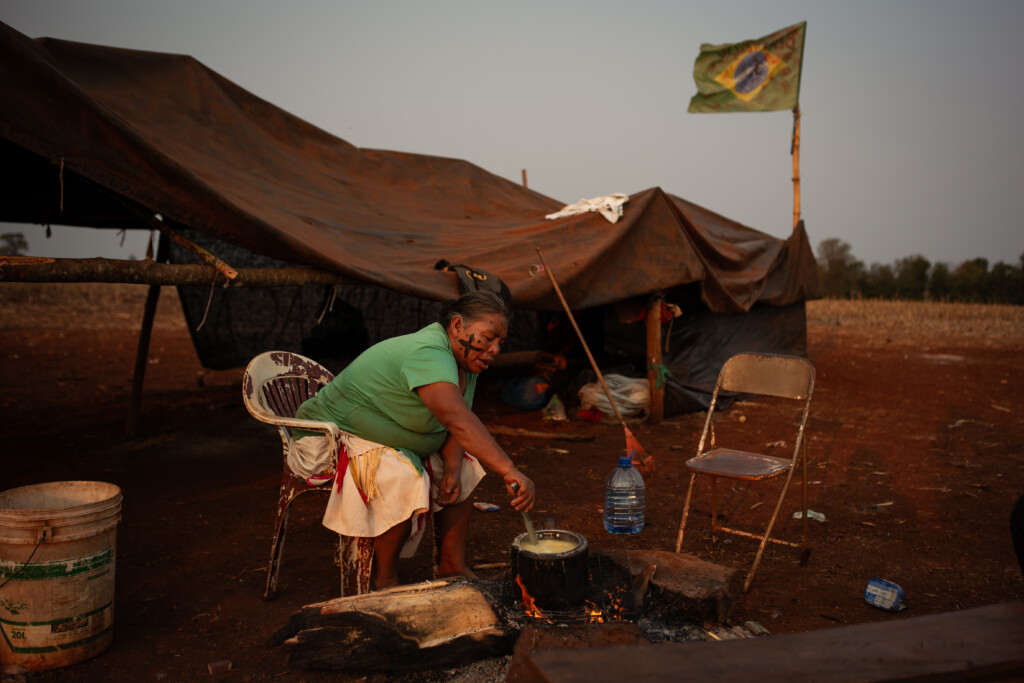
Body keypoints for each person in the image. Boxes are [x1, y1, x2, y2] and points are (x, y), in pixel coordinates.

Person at [289, 290, 535, 589]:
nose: (495, 349)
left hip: (391, 436)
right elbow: (455, 418)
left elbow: (460, 419)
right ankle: (386, 578)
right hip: (333, 434)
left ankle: (452, 567)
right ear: (457, 326)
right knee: (401, 474)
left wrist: (454, 469)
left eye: (501, 342)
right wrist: (508, 468)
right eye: (488, 337)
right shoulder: (429, 352)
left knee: (466, 468)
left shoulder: (467, 360)